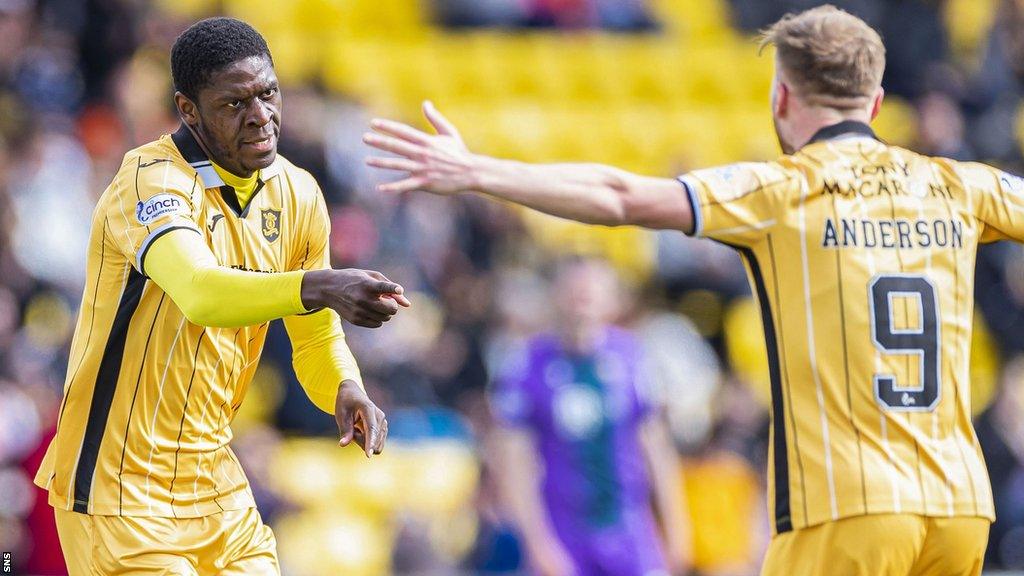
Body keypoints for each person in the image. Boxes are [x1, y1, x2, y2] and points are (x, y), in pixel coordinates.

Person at [364, 5, 1022, 575]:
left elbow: (620, 197)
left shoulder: (784, 189)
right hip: (961, 504)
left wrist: (478, 170)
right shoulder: (961, 184)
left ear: (782, 99)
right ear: (876, 105)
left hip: (850, 509)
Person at [33, 17, 409, 575]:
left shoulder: (298, 193)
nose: (261, 116)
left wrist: (344, 386)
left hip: (216, 485)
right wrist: (322, 286)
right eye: (235, 104)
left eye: (268, 94)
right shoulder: (151, 181)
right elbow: (202, 293)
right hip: (118, 491)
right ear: (189, 110)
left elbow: (314, 338)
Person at [488, 259, 690, 576]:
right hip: (564, 535)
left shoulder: (633, 358)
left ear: (613, 299)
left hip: (630, 533)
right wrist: (537, 543)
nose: (582, 299)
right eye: (574, 290)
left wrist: (677, 530)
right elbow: (515, 463)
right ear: (556, 294)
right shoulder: (527, 364)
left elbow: (657, 449)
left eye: (591, 291)